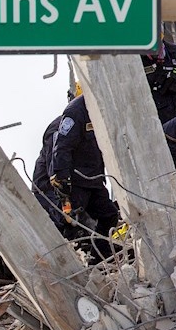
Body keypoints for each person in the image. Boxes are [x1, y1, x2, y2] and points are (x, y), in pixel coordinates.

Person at [48, 94, 121, 263]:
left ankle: (98, 260)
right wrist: (62, 178)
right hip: (76, 180)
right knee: (70, 224)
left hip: (94, 179)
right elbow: (62, 147)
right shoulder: (76, 111)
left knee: (109, 215)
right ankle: (65, 263)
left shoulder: (104, 108)